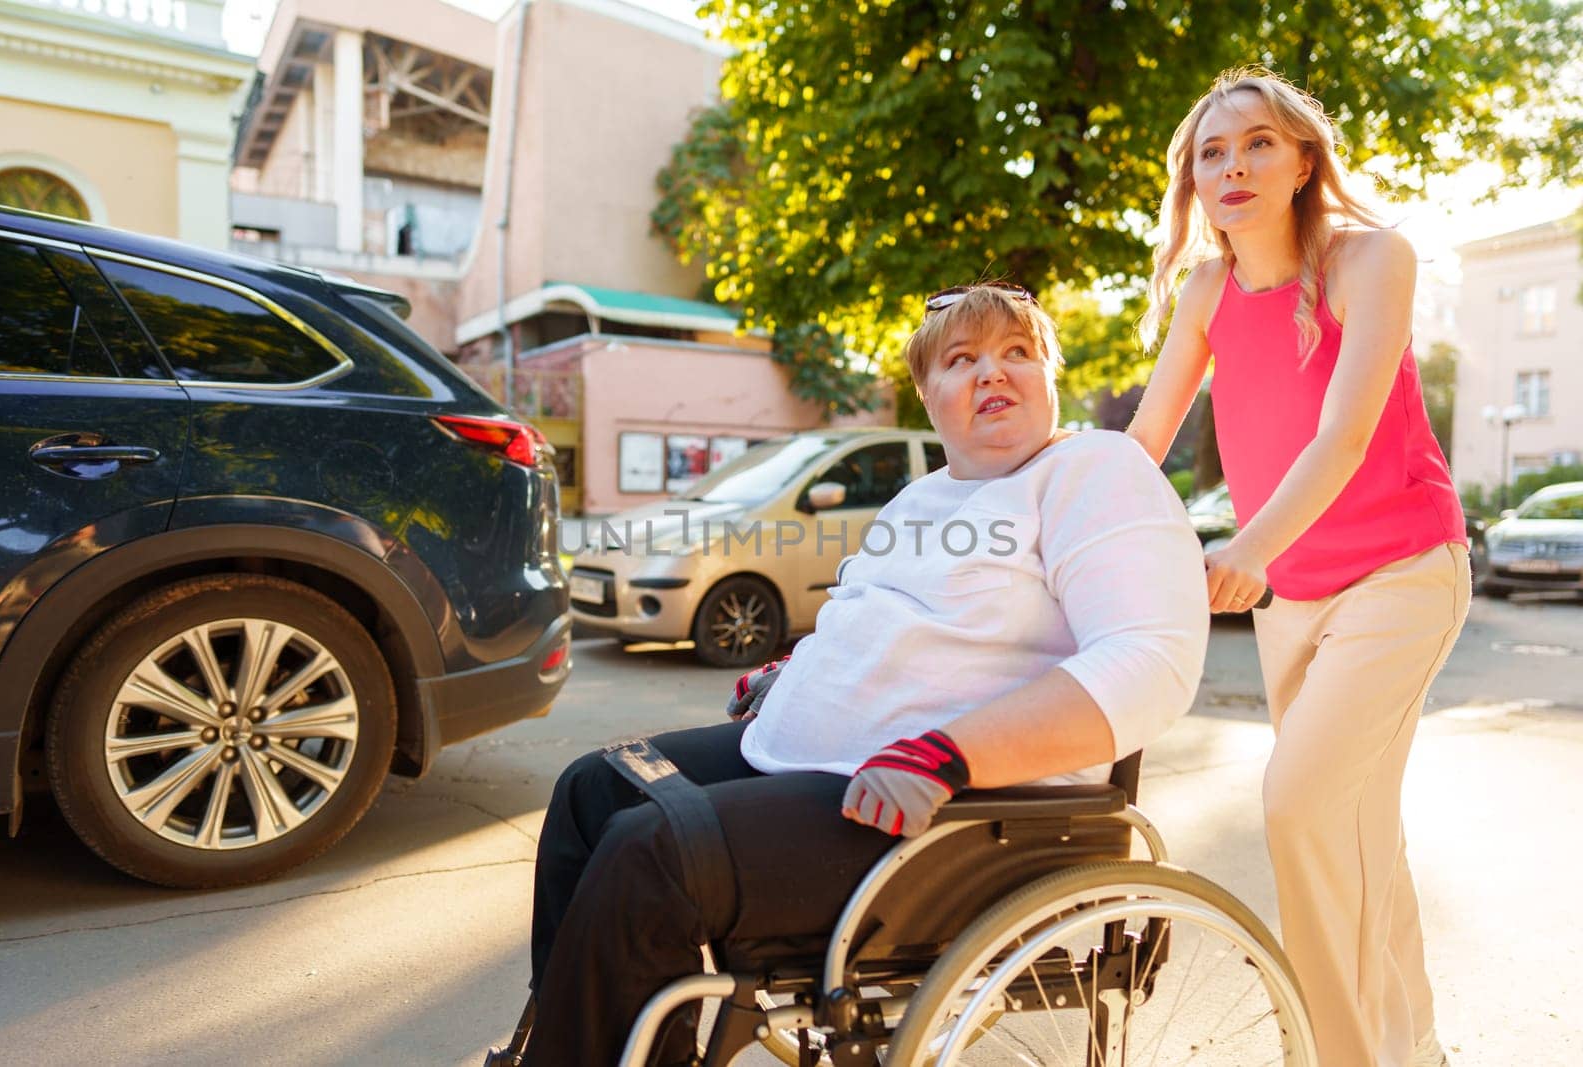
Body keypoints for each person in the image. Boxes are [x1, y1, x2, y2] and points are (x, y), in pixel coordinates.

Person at [499, 284, 1210, 1066]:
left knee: (651, 853)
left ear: (1051, 376)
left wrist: (946, 752)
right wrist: (793, 673)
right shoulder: (926, 495)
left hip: (961, 810)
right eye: (961, 359)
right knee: (590, 789)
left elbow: (1149, 661)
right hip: (819, 761)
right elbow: (874, 619)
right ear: (927, 395)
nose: (993, 374)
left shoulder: (1093, 470)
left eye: (1018, 354)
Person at [1128, 68, 1470, 1067]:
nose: (1232, 165)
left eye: (1257, 143)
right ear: (1190, 180)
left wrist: (1245, 548)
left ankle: (1340, 1054)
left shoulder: (1369, 259)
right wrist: (1031, 505)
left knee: (1297, 804)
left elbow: (1344, 435)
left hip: (1403, 573)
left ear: (1302, 158)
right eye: (1210, 152)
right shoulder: (1204, 288)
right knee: (1357, 830)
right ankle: (1417, 1049)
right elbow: (1143, 437)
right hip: (1296, 596)